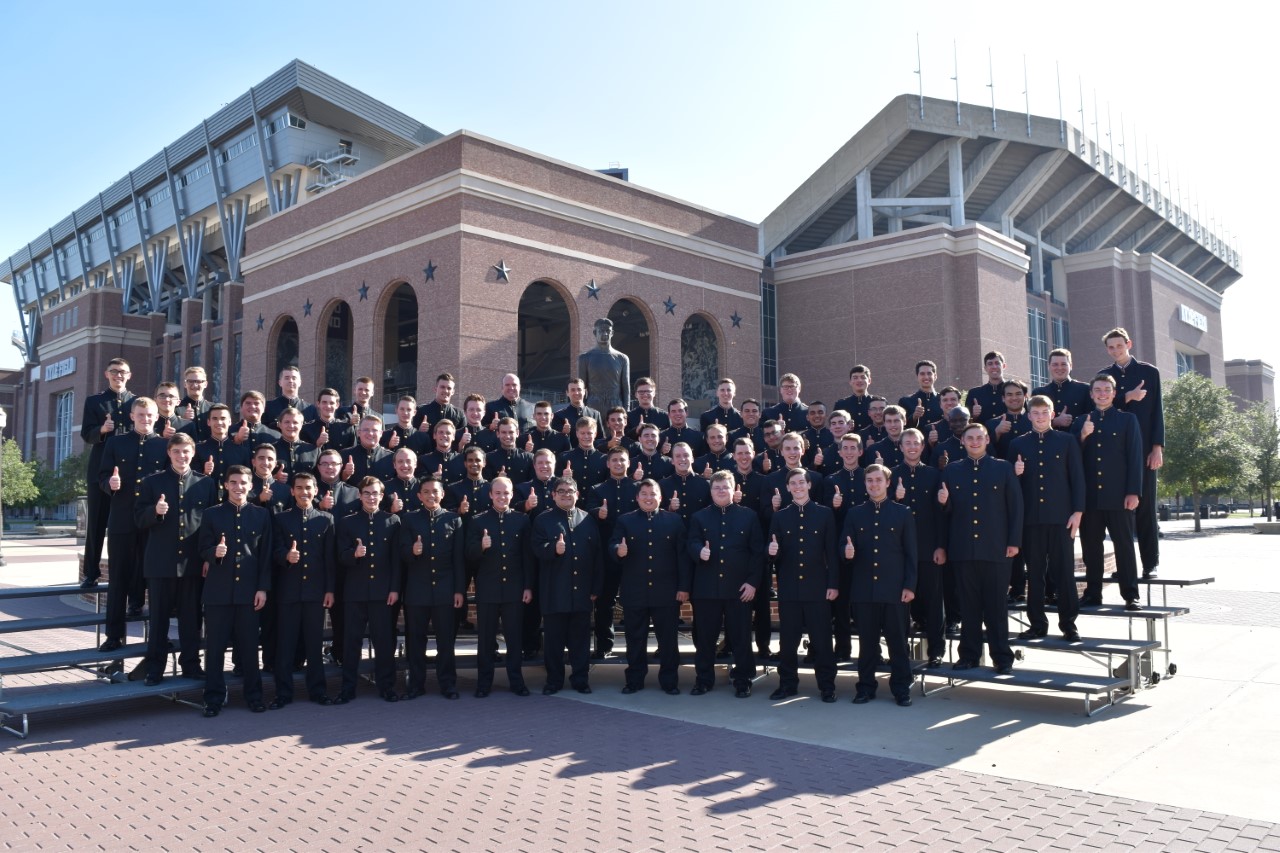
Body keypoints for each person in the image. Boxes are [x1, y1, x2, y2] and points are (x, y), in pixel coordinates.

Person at [938, 423, 1022, 674]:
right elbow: (946, 515)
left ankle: (1002, 657)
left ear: (987, 440)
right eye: (969, 438)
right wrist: (944, 504)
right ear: (962, 442)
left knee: (996, 606)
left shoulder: (1003, 468)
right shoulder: (952, 471)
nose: (974, 441)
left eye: (979, 437)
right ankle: (969, 655)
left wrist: (1014, 542)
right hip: (963, 549)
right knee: (969, 605)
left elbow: (1016, 508)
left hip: (996, 548)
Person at [135, 433, 218, 684]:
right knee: (158, 620)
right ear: (169, 453)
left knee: (191, 619)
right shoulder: (152, 482)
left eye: (186, 451)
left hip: (193, 563)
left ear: (193, 453)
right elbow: (138, 519)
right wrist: (154, 512)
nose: (182, 456)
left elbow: (213, 523)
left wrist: (208, 557)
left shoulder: (206, 484)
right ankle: (155, 668)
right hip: (161, 563)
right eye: (177, 451)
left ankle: (191, 665)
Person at [197, 465, 271, 716]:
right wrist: (212, 553)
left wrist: (262, 588)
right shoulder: (211, 514)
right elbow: (202, 547)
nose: (239, 487)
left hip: (249, 593)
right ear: (226, 485)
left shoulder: (261, 515)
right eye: (234, 482)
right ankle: (214, 698)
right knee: (215, 649)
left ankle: (254, 696)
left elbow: (265, 556)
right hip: (218, 592)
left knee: (249, 648)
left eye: (244, 483)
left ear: (251, 486)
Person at [1010, 395, 1085, 640]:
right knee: (1035, 573)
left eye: (1045, 412)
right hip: (1031, 521)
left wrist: (1078, 512)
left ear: (1052, 414)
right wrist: (1016, 474)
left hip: (1062, 519)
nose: (1040, 417)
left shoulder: (1067, 441)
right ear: (1028, 415)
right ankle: (1037, 624)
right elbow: (1010, 488)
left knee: (1064, 573)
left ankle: (1069, 624)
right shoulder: (1018, 445)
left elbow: (1078, 479)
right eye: (1036, 412)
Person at [98, 397, 168, 653]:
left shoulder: (165, 445)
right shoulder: (116, 443)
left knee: (155, 579)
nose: (145, 419)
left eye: (150, 415)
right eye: (140, 415)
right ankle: (114, 635)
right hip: (122, 520)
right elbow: (102, 476)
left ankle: (156, 637)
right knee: (118, 578)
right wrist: (110, 485)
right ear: (131, 416)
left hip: (152, 522)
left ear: (156, 417)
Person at [844, 463, 918, 706]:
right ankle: (865, 687)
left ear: (888, 483)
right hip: (864, 590)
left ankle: (901, 688)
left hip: (894, 589)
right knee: (867, 644)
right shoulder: (854, 513)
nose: (874, 484)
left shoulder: (903, 512)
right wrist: (847, 552)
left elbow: (911, 554)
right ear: (864, 484)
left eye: (878, 480)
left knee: (898, 642)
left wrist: (909, 585)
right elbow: (843, 547)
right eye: (869, 481)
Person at [686, 470, 764, 698]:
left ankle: (743, 680)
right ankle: (703, 680)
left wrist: (752, 583)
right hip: (706, 589)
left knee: (741, 638)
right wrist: (699, 551)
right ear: (710, 491)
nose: (721, 491)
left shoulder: (748, 516)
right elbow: (691, 543)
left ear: (734, 490)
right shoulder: (699, 517)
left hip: (739, 589)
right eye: (716, 487)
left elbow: (757, 553)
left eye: (725, 487)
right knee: (705, 638)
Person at [768, 468, 840, 702]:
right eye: (793, 483)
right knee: (788, 642)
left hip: (818, 588)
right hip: (789, 589)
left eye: (802, 482)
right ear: (787, 488)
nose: (798, 487)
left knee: (822, 641)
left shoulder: (824, 514)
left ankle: (827, 686)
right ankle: (788, 684)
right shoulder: (779, 517)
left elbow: (831, 552)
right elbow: (773, 554)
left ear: (809, 485)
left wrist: (833, 584)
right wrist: (771, 553)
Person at [612, 478, 689, 695]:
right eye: (644, 494)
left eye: (652, 494)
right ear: (637, 498)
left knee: (668, 640)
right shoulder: (625, 521)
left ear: (660, 497)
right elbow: (613, 543)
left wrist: (683, 587)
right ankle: (634, 680)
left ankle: (669, 681)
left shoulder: (674, 521)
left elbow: (682, 557)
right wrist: (618, 550)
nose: (648, 498)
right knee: (635, 639)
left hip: (666, 592)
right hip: (634, 592)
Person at [1074, 374, 1144, 610]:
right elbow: (1072, 458)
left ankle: (1130, 593)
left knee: (1124, 544)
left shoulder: (1127, 420)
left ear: (1114, 394)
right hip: (1090, 498)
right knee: (1091, 547)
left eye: (1107, 389)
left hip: (1119, 495)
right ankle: (1093, 592)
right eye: (1097, 390)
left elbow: (1135, 458)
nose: (1102, 393)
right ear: (1091, 394)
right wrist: (1082, 435)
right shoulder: (1081, 421)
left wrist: (1134, 491)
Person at [1100, 327, 1165, 579]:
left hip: (1145, 450)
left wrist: (1157, 447)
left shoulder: (1150, 372)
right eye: (1111, 347)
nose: (1116, 350)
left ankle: (1150, 564)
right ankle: (1124, 566)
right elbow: (1100, 405)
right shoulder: (1104, 376)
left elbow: (1157, 412)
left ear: (1129, 343)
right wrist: (1127, 396)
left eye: (1119, 345)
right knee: (1120, 512)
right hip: (1114, 453)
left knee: (1145, 506)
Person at [269, 472, 336, 707]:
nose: (304, 492)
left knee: (314, 645)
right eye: (299, 488)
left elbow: (330, 560)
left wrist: (330, 590)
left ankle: (318, 691)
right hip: (287, 593)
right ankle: (283, 694)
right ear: (292, 491)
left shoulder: (326, 520)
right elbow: (274, 553)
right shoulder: (281, 519)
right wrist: (286, 556)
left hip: (315, 593)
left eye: (308, 488)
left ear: (315, 490)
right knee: (285, 646)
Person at [532, 476, 602, 695]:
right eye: (561, 491)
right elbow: (535, 549)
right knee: (554, 642)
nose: (565, 495)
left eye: (570, 491)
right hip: (555, 592)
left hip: (582, 592)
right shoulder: (543, 520)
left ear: (577, 494)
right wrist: (553, 549)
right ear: (553, 495)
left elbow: (597, 556)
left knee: (580, 642)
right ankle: (554, 681)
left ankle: (580, 679)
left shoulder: (588, 519)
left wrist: (595, 588)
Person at [335, 476, 402, 703]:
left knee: (384, 641)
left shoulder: (393, 521)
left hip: (383, 593)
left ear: (381, 496)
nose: (371, 497)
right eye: (366, 493)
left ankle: (386, 687)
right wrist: (353, 555)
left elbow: (396, 561)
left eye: (375, 493)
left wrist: (394, 589)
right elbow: (340, 556)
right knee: (351, 642)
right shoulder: (347, 522)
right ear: (359, 495)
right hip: (355, 592)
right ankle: (348, 688)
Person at [465, 476, 534, 697]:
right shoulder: (478, 521)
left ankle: (517, 682)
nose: (502, 497)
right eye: (498, 493)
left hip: (514, 589)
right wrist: (481, 547)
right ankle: (484, 683)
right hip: (488, 589)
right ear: (490, 495)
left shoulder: (522, 520)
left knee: (514, 639)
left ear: (512, 495)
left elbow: (527, 557)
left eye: (506, 493)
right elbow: (469, 555)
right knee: (486, 640)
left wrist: (528, 586)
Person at [398, 478, 464, 700]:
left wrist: (458, 590)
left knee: (446, 641)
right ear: (419, 496)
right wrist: (412, 551)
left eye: (435, 491)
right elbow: (401, 554)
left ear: (442, 494)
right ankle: (416, 685)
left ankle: (447, 684)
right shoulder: (408, 519)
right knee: (416, 640)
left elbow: (458, 560)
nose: (430, 495)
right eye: (425, 492)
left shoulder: (454, 520)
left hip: (445, 590)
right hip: (417, 591)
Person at [891, 429, 946, 667]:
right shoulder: (890, 475)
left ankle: (936, 651)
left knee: (934, 603)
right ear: (900, 447)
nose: (912, 447)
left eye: (916, 443)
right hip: (898, 552)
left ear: (923, 447)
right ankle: (900, 652)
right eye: (907, 443)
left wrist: (941, 546)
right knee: (900, 606)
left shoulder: (934, 475)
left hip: (927, 548)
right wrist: (897, 498)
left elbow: (941, 515)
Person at [81, 358, 135, 588]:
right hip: (100, 471)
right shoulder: (95, 401)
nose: (118, 375)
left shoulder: (137, 402)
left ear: (129, 375)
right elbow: (86, 433)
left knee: (129, 526)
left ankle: (128, 575)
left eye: (122, 372)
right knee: (96, 524)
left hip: (130, 473)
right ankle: (91, 574)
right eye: (114, 371)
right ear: (107, 374)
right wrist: (101, 430)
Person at [584, 446, 638, 658]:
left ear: (628, 463)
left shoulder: (637, 487)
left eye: (622, 460)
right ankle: (604, 646)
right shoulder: (598, 489)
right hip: (606, 554)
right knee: (605, 603)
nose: (618, 464)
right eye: (614, 460)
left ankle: (635, 646)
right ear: (608, 463)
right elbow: (587, 513)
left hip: (634, 554)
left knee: (634, 602)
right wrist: (599, 512)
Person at [1032, 348, 1093, 431]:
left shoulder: (1085, 389)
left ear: (1070, 366)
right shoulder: (1039, 393)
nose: (1059, 368)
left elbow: (1092, 418)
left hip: (1077, 442)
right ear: (1049, 367)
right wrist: (1055, 422)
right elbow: (1030, 423)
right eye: (1055, 364)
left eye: (1063, 364)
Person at [578, 318, 631, 411]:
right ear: (595, 332)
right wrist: (582, 410)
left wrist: (627, 410)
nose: (605, 334)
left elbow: (625, 388)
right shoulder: (585, 358)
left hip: (615, 407)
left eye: (608, 331)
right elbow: (581, 387)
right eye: (601, 331)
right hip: (593, 406)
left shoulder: (622, 358)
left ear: (612, 333)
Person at [898, 360, 944, 429]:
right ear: (917, 377)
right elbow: (901, 427)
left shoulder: (944, 400)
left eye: (929, 373)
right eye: (922, 374)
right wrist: (914, 417)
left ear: (935, 376)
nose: (926, 377)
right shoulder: (905, 401)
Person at [966, 351, 1009, 421]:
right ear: (985, 368)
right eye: (990, 364)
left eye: (997, 363)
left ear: (1004, 366)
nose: (994, 367)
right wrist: (973, 415)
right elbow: (966, 422)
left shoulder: (1015, 390)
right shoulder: (974, 393)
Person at [178, 366, 214, 443]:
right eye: (190, 381)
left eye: (198, 381)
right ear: (185, 384)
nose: (194, 385)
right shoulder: (176, 408)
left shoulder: (213, 408)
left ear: (205, 384)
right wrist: (182, 420)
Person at [264, 366, 306, 431]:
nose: (291, 381)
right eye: (287, 378)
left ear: (300, 383)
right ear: (280, 383)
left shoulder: (310, 409)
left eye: (294, 378)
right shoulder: (268, 407)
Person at [834, 364, 874, 433]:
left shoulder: (877, 402)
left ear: (869, 381)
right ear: (850, 382)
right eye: (855, 378)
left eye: (863, 377)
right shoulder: (841, 404)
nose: (859, 380)